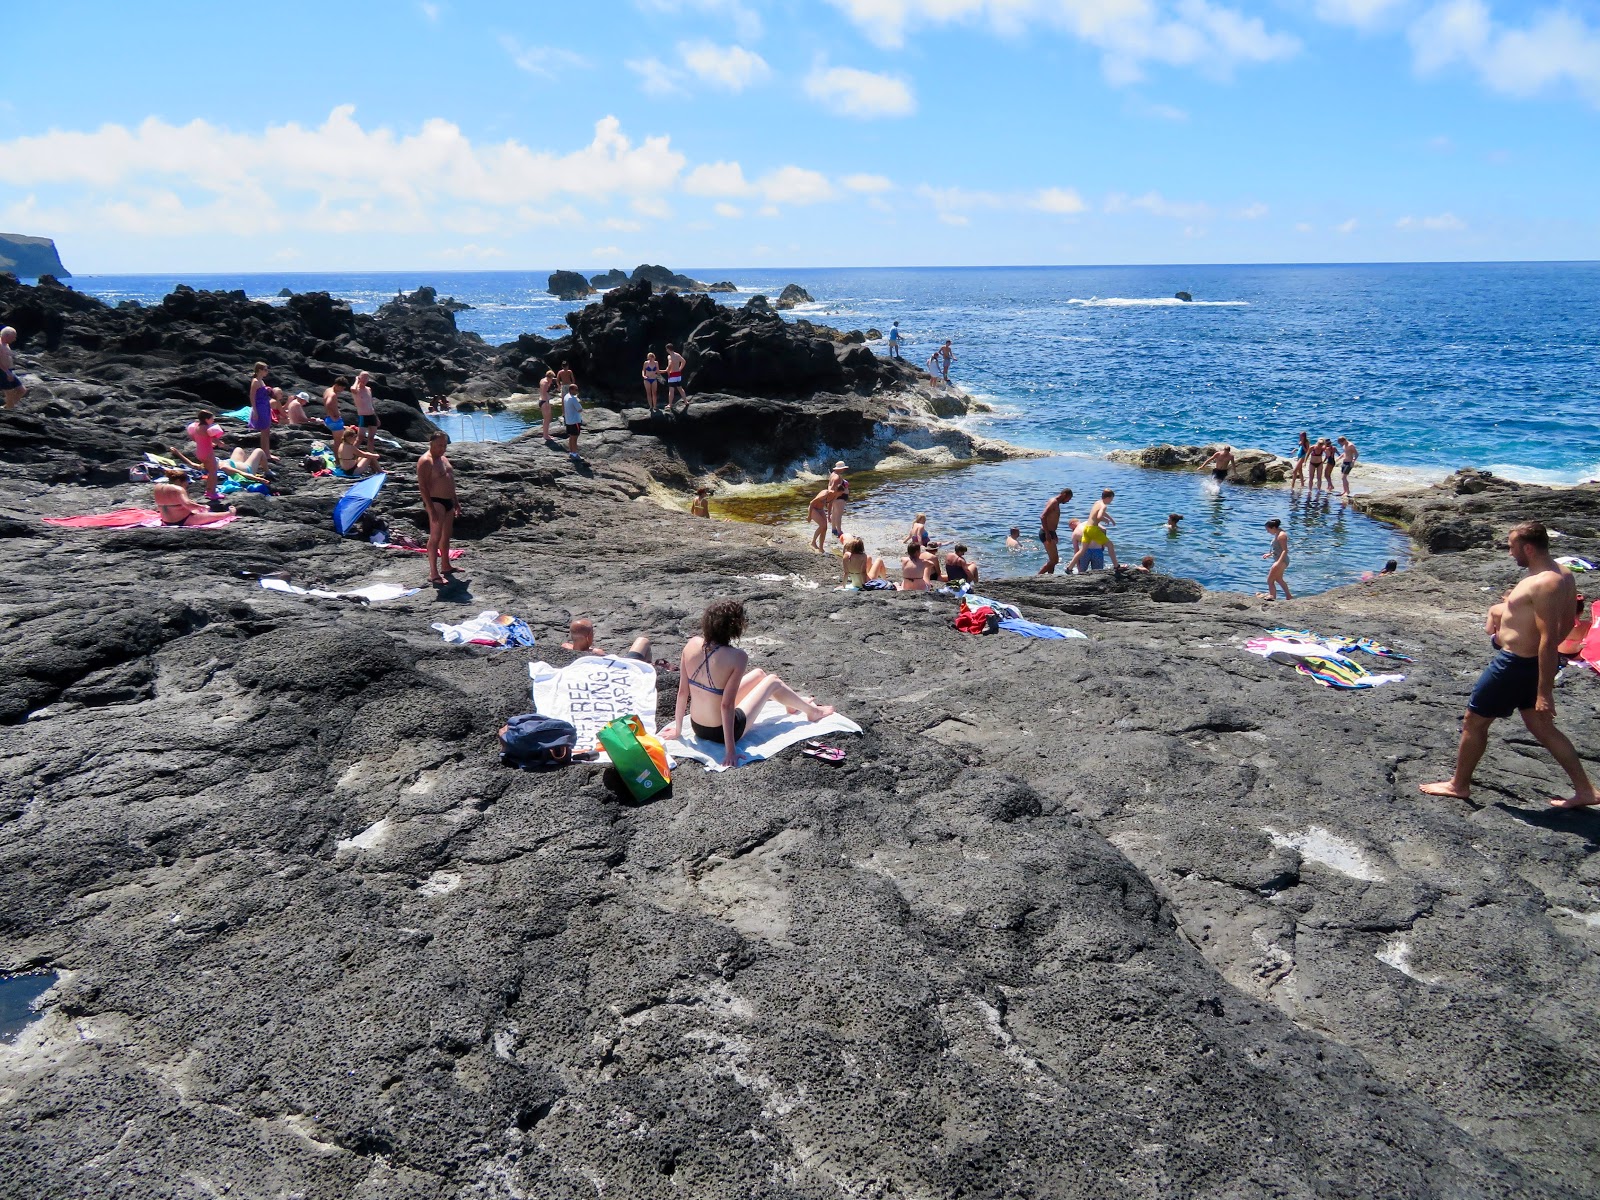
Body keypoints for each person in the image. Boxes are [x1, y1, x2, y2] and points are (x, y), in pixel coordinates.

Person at [1421, 523, 1596, 809]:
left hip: (1516, 665)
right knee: (1542, 727)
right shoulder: (1562, 574)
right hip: (1530, 664)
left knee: (1474, 720)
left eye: (1512, 546)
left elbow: (1549, 636)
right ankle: (1585, 790)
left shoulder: (1543, 583)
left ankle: (1459, 785)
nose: (1510, 552)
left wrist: (1544, 692)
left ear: (1528, 548)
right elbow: (1563, 626)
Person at [661, 599, 835, 767]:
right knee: (772, 681)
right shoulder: (737, 656)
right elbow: (726, 706)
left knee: (759, 674)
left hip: (697, 726)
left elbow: (682, 692)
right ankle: (813, 712)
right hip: (722, 732)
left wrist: (678, 730)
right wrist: (731, 750)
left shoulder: (691, 644)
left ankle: (790, 705)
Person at [417, 430, 459, 586]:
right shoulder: (425, 461)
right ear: (431, 443)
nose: (443, 448)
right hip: (436, 502)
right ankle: (433, 573)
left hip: (448, 501)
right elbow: (423, 487)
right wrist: (431, 509)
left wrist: (456, 501)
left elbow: (450, 480)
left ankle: (446, 565)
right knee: (434, 537)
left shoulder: (443, 459)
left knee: (446, 535)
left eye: (445, 445)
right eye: (440, 445)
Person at [1066, 489, 1120, 572]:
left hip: (1087, 529)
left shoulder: (1097, 502)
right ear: (1108, 498)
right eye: (1112, 499)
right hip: (1093, 530)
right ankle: (1116, 566)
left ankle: (1069, 568)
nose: (1111, 501)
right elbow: (1099, 516)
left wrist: (1111, 519)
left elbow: (1100, 512)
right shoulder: (1104, 506)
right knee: (1110, 545)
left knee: (1082, 550)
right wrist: (1105, 520)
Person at [152, 472, 234, 526]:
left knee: (198, 511)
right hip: (182, 520)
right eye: (185, 484)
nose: (185, 486)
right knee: (219, 515)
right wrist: (202, 507)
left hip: (166, 521)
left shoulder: (157, 487)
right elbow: (187, 504)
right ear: (179, 481)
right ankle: (230, 513)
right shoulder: (178, 489)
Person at [563, 618, 652, 663]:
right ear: (588, 637)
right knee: (643, 640)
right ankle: (648, 667)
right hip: (626, 664)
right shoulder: (596, 652)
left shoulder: (565, 647)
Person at [185, 409, 226, 500]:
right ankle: (212, 492)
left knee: (210, 471)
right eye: (212, 419)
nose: (213, 420)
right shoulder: (207, 428)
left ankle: (208, 491)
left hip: (199, 452)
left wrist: (209, 443)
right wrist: (220, 443)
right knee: (213, 472)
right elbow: (215, 439)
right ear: (207, 419)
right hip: (207, 453)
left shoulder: (196, 427)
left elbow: (196, 438)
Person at [1037, 488, 1073, 574]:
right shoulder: (1053, 502)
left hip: (1051, 532)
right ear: (1064, 495)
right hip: (1046, 532)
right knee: (1054, 560)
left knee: (1052, 560)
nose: (1068, 501)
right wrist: (1047, 534)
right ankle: (1036, 577)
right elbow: (1043, 516)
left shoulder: (1056, 503)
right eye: (1069, 499)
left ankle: (1050, 577)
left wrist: (1054, 534)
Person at [246, 362, 273, 459]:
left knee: (266, 431)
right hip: (260, 407)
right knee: (264, 430)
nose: (267, 371)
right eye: (265, 369)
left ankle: (267, 453)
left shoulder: (261, 381)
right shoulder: (256, 382)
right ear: (260, 370)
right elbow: (252, 397)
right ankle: (266, 454)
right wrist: (255, 411)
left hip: (265, 406)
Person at [1261, 518, 1292, 601]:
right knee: (1278, 579)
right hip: (1279, 560)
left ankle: (1272, 596)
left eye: (1268, 530)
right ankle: (1289, 596)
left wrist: (1278, 563)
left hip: (1281, 561)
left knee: (1270, 580)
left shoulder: (1281, 535)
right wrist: (1270, 554)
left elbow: (1285, 550)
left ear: (1273, 528)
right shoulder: (1277, 533)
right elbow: (1278, 548)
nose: (1267, 532)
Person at [351, 370, 380, 452]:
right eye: (362, 378)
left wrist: (376, 417)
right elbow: (353, 389)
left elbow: (371, 404)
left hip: (372, 415)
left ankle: (370, 456)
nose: (364, 380)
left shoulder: (368, 389)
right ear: (359, 378)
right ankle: (350, 453)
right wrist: (357, 380)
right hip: (363, 416)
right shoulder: (356, 390)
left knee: (371, 438)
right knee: (360, 437)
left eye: (366, 378)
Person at [0, 326, 25, 409]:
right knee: (9, 393)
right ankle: (9, 410)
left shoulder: (6, 344)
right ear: (6, 335)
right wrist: (7, 372)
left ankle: (8, 407)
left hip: (10, 370)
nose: (14, 339)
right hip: (2, 371)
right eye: (13, 337)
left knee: (22, 390)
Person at [807, 484, 834, 552]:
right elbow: (811, 503)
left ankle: (821, 548)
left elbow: (829, 505)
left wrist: (828, 516)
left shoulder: (834, 495)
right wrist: (809, 516)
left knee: (825, 527)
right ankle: (813, 542)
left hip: (820, 509)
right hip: (813, 509)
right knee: (822, 525)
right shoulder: (825, 493)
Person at [828, 461, 850, 541]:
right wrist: (835, 494)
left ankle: (834, 529)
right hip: (839, 498)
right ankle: (839, 531)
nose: (844, 470)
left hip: (836, 498)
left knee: (834, 513)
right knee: (839, 515)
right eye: (843, 468)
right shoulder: (837, 477)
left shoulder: (833, 474)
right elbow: (831, 488)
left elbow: (830, 486)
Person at [562, 383, 583, 461]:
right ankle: (574, 453)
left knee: (571, 437)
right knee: (575, 437)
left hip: (568, 420)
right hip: (575, 421)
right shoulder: (573, 399)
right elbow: (580, 409)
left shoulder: (566, 396)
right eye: (576, 390)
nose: (577, 391)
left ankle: (571, 452)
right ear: (571, 390)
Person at [665, 345, 687, 413]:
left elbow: (670, 364)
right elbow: (683, 361)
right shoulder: (677, 355)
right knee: (680, 388)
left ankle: (670, 404)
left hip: (672, 375)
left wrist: (667, 370)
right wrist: (680, 369)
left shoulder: (669, 356)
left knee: (671, 390)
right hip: (678, 374)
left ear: (668, 349)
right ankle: (686, 401)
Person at [538, 368, 557, 440]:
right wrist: (547, 403)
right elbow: (545, 392)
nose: (552, 379)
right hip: (544, 401)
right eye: (552, 378)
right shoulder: (546, 382)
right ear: (550, 377)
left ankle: (545, 434)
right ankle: (546, 436)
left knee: (546, 419)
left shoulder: (542, 380)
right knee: (547, 419)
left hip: (541, 400)